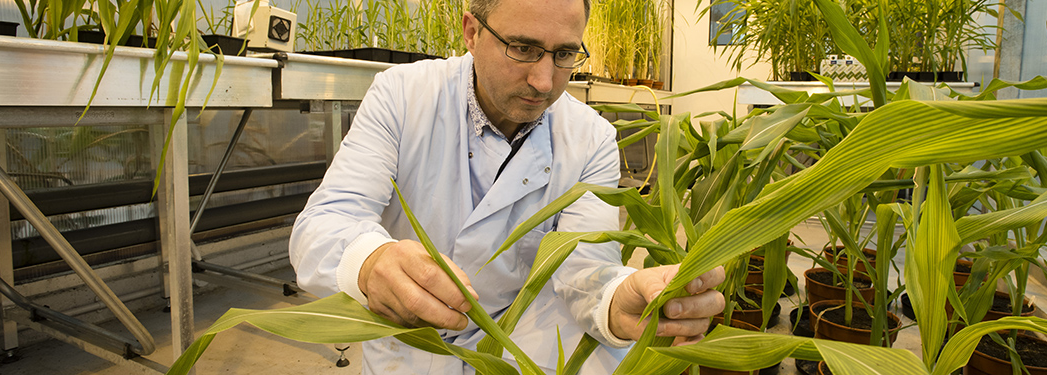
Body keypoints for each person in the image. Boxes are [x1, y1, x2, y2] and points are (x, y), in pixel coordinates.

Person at [288, 0, 726, 373]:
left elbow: (585, 269)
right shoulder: (403, 96)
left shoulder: (590, 137)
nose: (543, 81)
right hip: (414, 347)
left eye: (564, 55)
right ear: (472, 31)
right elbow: (325, 223)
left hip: (525, 346)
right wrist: (371, 263)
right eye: (522, 48)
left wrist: (617, 298)